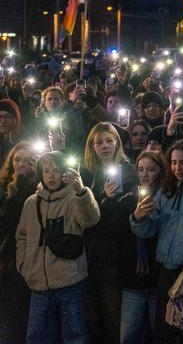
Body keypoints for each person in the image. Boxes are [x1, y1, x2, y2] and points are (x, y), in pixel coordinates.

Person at [131, 139, 183, 344]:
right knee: (165, 329)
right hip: (167, 272)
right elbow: (150, 230)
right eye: (174, 162)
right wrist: (138, 218)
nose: (178, 167)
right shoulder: (165, 192)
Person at [15, 151, 100, 343]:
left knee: (75, 335)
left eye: (56, 170)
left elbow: (91, 219)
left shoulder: (74, 198)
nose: (51, 175)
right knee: (37, 336)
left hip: (70, 283)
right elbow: (21, 236)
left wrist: (81, 192)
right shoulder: (31, 202)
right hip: (38, 284)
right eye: (46, 171)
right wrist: (24, 265)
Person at [81, 122, 138, 344]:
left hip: (113, 257)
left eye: (109, 141)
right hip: (88, 256)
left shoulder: (128, 171)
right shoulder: (87, 174)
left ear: (117, 144)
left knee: (113, 318)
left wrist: (106, 201)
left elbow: (120, 219)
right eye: (99, 142)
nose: (104, 146)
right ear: (92, 147)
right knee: (92, 318)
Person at [119, 151, 165, 344]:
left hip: (158, 278)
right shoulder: (129, 199)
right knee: (129, 335)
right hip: (133, 279)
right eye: (140, 169)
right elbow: (120, 234)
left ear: (161, 171)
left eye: (151, 170)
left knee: (158, 333)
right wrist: (135, 216)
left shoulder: (166, 198)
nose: (145, 174)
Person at [0, 141, 38, 343]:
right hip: (9, 258)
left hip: (31, 257)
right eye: (17, 159)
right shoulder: (4, 188)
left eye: (26, 160)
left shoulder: (37, 188)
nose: (21, 164)